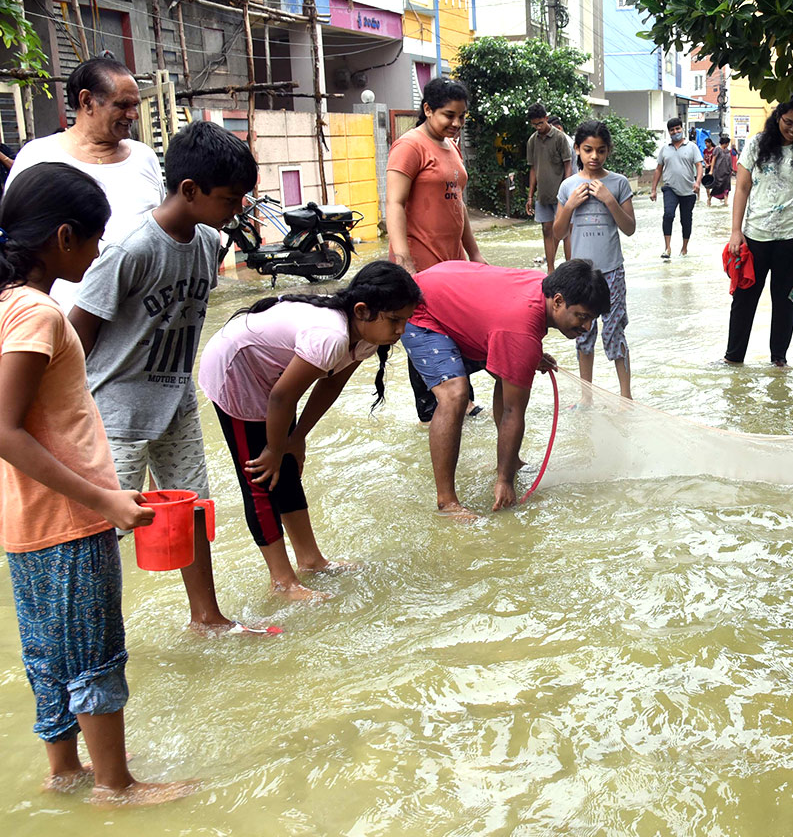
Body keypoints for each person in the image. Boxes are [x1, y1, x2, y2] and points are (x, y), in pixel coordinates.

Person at [0, 163, 195, 806]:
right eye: (95, 237)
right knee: (94, 651)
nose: (101, 250)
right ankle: (117, 785)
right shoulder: (35, 312)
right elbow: (5, 429)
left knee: (47, 652)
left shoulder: (7, 306)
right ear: (62, 237)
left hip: (25, 519)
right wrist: (103, 499)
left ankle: (66, 769)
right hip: (67, 519)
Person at [69, 121, 259, 635]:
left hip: (174, 401)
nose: (237, 208)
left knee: (192, 507)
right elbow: (75, 332)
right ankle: (92, 632)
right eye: (229, 198)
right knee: (106, 527)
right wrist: (66, 412)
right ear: (190, 190)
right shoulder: (130, 248)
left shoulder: (207, 243)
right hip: (116, 410)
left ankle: (207, 617)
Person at [198, 262, 422, 600]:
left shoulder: (365, 338)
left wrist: (296, 437)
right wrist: (274, 449)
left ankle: (312, 561)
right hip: (237, 370)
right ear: (362, 310)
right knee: (260, 476)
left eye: (405, 320)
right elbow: (282, 396)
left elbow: (328, 386)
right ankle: (282, 581)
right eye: (394, 320)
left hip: (275, 381)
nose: (401, 330)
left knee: (286, 468)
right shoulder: (331, 335)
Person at [400, 260, 610, 517]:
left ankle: (510, 462)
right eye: (582, 316)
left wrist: (526, 355)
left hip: (445, 292)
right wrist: (505, 483)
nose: (587, 327)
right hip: (420, 309)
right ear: (557, 301)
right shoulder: (520, 331)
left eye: (592, 319)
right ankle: (447, 502)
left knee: (508, 375)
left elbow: (504, 326)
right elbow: (512, 411)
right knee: (455, 395)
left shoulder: (540, 290)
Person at [7, 58, 164, 310]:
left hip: (138, 320)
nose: (133, 114)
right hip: (62, 316)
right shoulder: (38, 156)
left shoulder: (144, 157)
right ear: (87, 101)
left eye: (135, 105)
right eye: (123, 105)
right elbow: (15, 240)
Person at [385, 77, 484, 423]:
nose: (456, 124)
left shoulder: (451, 146)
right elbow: (394, 204)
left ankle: (463, 402)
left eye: (462, 117)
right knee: (424, 333)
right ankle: (432, 411)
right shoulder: (409, 146)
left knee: (454, 330)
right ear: (427, 110)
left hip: (453, 264)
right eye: (448, 115)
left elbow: (459, 206)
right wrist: (405, 262)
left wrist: (475, 254)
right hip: (421, 263)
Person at [724, 93, 793, 368]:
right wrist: (736, 231)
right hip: (755, 237)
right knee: (743, 301)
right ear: (778, 117)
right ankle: (733, 360)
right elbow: (742, 188)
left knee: (785, 304)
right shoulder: (757, 144)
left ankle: (778, 362)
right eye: (788, 122)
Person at [552, 120, 636, 400]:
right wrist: (571, 205)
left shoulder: (618, 183)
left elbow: (629, 228)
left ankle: (626, 397)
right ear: (577, 149)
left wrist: (609, 200)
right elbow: (558, 232)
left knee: (614, 333)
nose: (594, 156)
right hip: (579, 276)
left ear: (608, 151)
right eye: (587, 149)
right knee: (582, 333)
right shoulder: (568, 187)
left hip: (611, 271)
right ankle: (585, 397)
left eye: (600, 150)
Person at [525, 103, 574, 272]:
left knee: (566, 231)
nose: (538, 127)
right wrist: (530, 196)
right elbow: (532, 169)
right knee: (547, 230)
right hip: (543, 196)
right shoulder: (532, 141)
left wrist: (567, 191)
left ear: (546, 118)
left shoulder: (559, 138)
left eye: (540, 123)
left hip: (561, 195)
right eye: (535, 124)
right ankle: (551, 270)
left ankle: (569, 268)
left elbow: (568, 165)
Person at [649, 117, 703, 260]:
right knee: (668, 215)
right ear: (669, 132)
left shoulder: (692, 147)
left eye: (677, 129)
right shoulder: (665, 149)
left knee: (686, 220)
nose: (675, 132)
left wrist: (697, 182)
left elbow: (699, 165)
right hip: (669, 188)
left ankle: (684, 248)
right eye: (672, 130)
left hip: (688, 190)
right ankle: (667, 248)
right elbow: (658, 169)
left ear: (682, 129)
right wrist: (653, 189)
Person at [709, 135, 733, 206]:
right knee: (717, 186)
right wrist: (711, 170)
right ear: (725, 143)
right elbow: (713, 159)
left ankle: (726, 202)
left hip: (727, 172)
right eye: (728, 143)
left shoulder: (727, 151)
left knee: (727, 187)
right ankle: (709, 199)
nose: (728, 145)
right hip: (718, 172)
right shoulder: (717, 149)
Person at [701, 138, 716, 206]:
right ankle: (709, 199)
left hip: (713, 169)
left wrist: (711, 165)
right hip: (707, 168)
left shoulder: (714, 150)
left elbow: (715, 159)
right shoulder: (705, 150)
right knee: (707, 184)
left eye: (707, 143)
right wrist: (706, 163)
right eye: (705, 143)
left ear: (710, 143)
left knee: (714, 183)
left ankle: (712, 197)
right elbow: (704, 159)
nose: (706, 145)